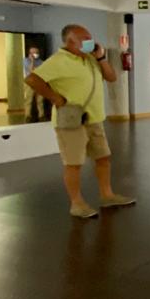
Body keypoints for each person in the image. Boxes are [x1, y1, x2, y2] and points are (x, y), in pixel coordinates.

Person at [26, 24, 136, 218]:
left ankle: (107, 195)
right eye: (84, 39)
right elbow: (32, 80)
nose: (89, 41)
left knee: (103, 158)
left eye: (89, 37)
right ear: (70, 42)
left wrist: (101, 58)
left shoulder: (91, 59)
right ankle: (76, 204)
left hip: (94, 119)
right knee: (74, 163)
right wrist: (55, 98)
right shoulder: (58, 60)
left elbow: (111, 77)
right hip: (71, 121)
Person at [22, 46, 45, 122]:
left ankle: (41, 115)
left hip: (39, 82)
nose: (35, 54)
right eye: (33, 53)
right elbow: (31, 71)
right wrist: (32, 61)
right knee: (28, 100)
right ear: (29, 53)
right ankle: (27, 116)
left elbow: (41, 72)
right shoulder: (25, 61)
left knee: (40, 100)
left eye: (36, 52)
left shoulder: (41, 62)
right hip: (29, 82)